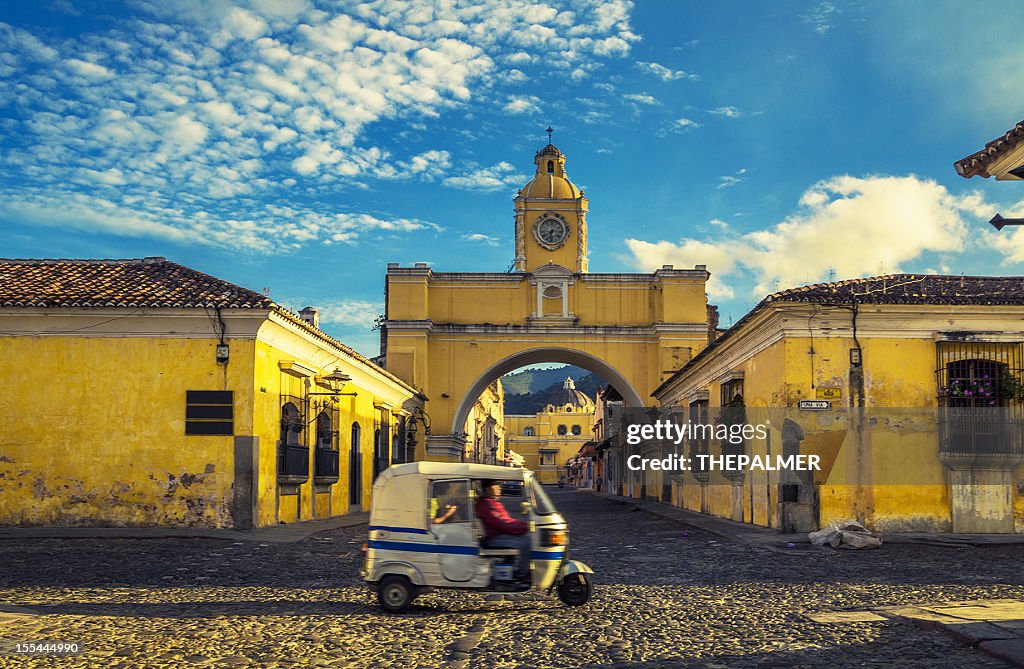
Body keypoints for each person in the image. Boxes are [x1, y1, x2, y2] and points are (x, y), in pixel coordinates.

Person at [475, 479, 530, 582]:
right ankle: (521, 574)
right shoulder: (487, 505)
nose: (499, 488)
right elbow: (504, 523)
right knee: (526, 542)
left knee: (525, 538)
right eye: (496, 485)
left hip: (498, 534)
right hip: (493, 538)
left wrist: (523, 526)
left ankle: (511, 568)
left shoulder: (491, 502)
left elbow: (507, 521)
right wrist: (525, 528)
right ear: (487, 489)